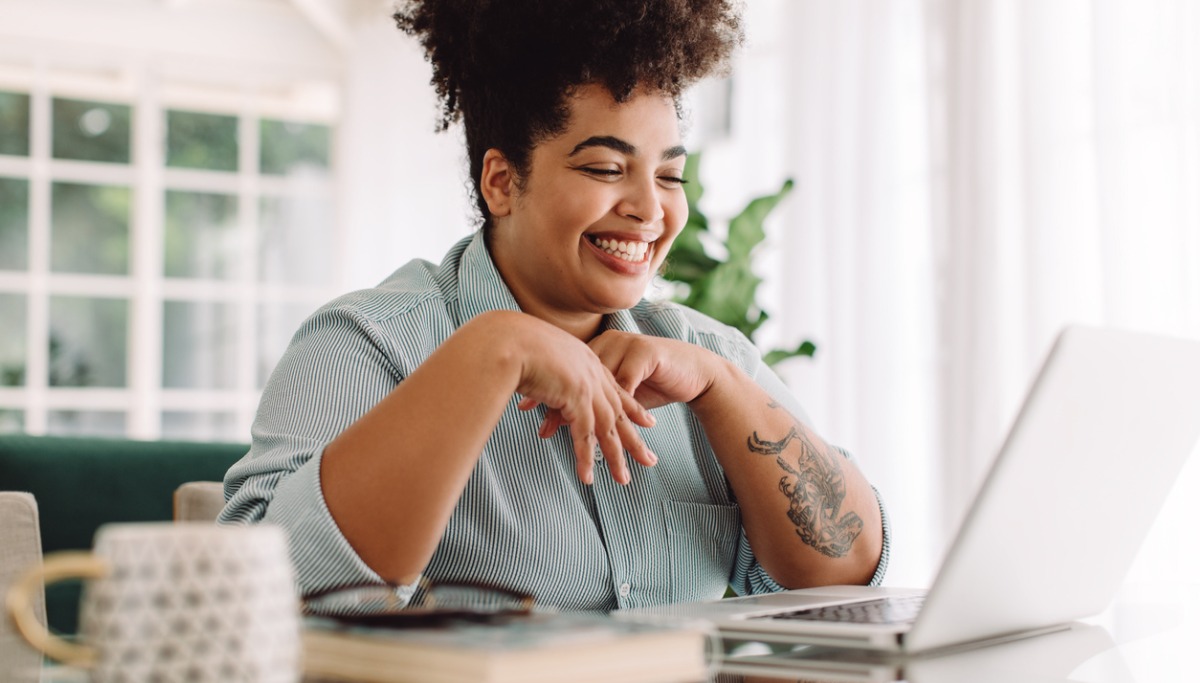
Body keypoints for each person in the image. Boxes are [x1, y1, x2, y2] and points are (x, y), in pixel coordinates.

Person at [220, 0, 889, 611]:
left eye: (669, 175)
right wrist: (493, 351)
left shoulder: (709, 360)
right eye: (605, 168)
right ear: (502, 181)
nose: (650, 209)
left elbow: (847, 577)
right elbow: (263, 592)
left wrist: (722, 391)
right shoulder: (365, 343)